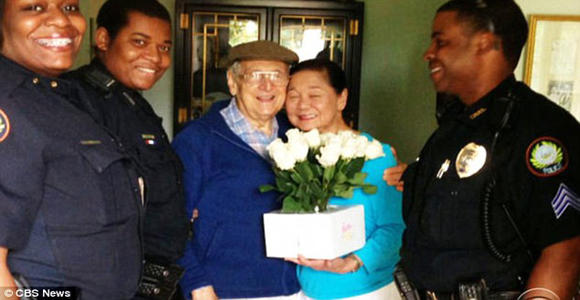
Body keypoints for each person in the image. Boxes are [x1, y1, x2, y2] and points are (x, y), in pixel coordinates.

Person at [393, 0, 580, 299]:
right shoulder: (455, 125)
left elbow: (565, 248)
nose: (429, 53)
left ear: (484, 44)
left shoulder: (538, 129)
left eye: (441, 42)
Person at [0, 0, 144, 299]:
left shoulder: (61, 96)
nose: (61, 21)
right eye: (35, 8)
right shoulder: (9, 104)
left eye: (69, 8)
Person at [64, 1, 188, 298]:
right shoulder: (75, 99)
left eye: (165, 47)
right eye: (139, 42)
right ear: (104, 40)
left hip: (154, 281)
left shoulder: (133, 102)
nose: (156, 58)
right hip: (109, 282)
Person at [172, 40, 301, 300]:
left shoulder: (298, 136)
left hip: (296, 286)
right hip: (224, 289)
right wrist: (196, 283)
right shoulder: (197, 140)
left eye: (276, 76)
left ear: (287, 84)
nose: (267, 86)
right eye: (255, 76)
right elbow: (171, 221)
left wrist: (400, 173)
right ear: (233, 82)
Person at [283, 59, 405, 300]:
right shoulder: (293, 155)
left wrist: (352, 262)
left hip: (363, 291)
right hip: (306, 290)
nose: (302, 105)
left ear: (342, 99)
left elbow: (396, 229)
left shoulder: (377, 156)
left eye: (314, 95)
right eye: (293, 96)